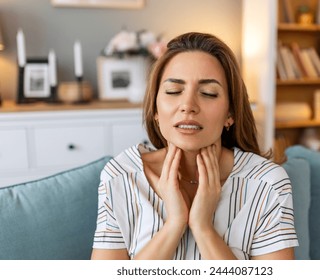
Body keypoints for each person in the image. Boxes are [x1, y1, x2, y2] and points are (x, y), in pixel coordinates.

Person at [91, 32, 298, 260]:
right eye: (173, 91)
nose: (188, 105)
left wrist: (203, 228)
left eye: (208, 93)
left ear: (230, 113)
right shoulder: (120, 177)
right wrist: (174, 224)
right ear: (156, 110)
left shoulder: (267, 184)